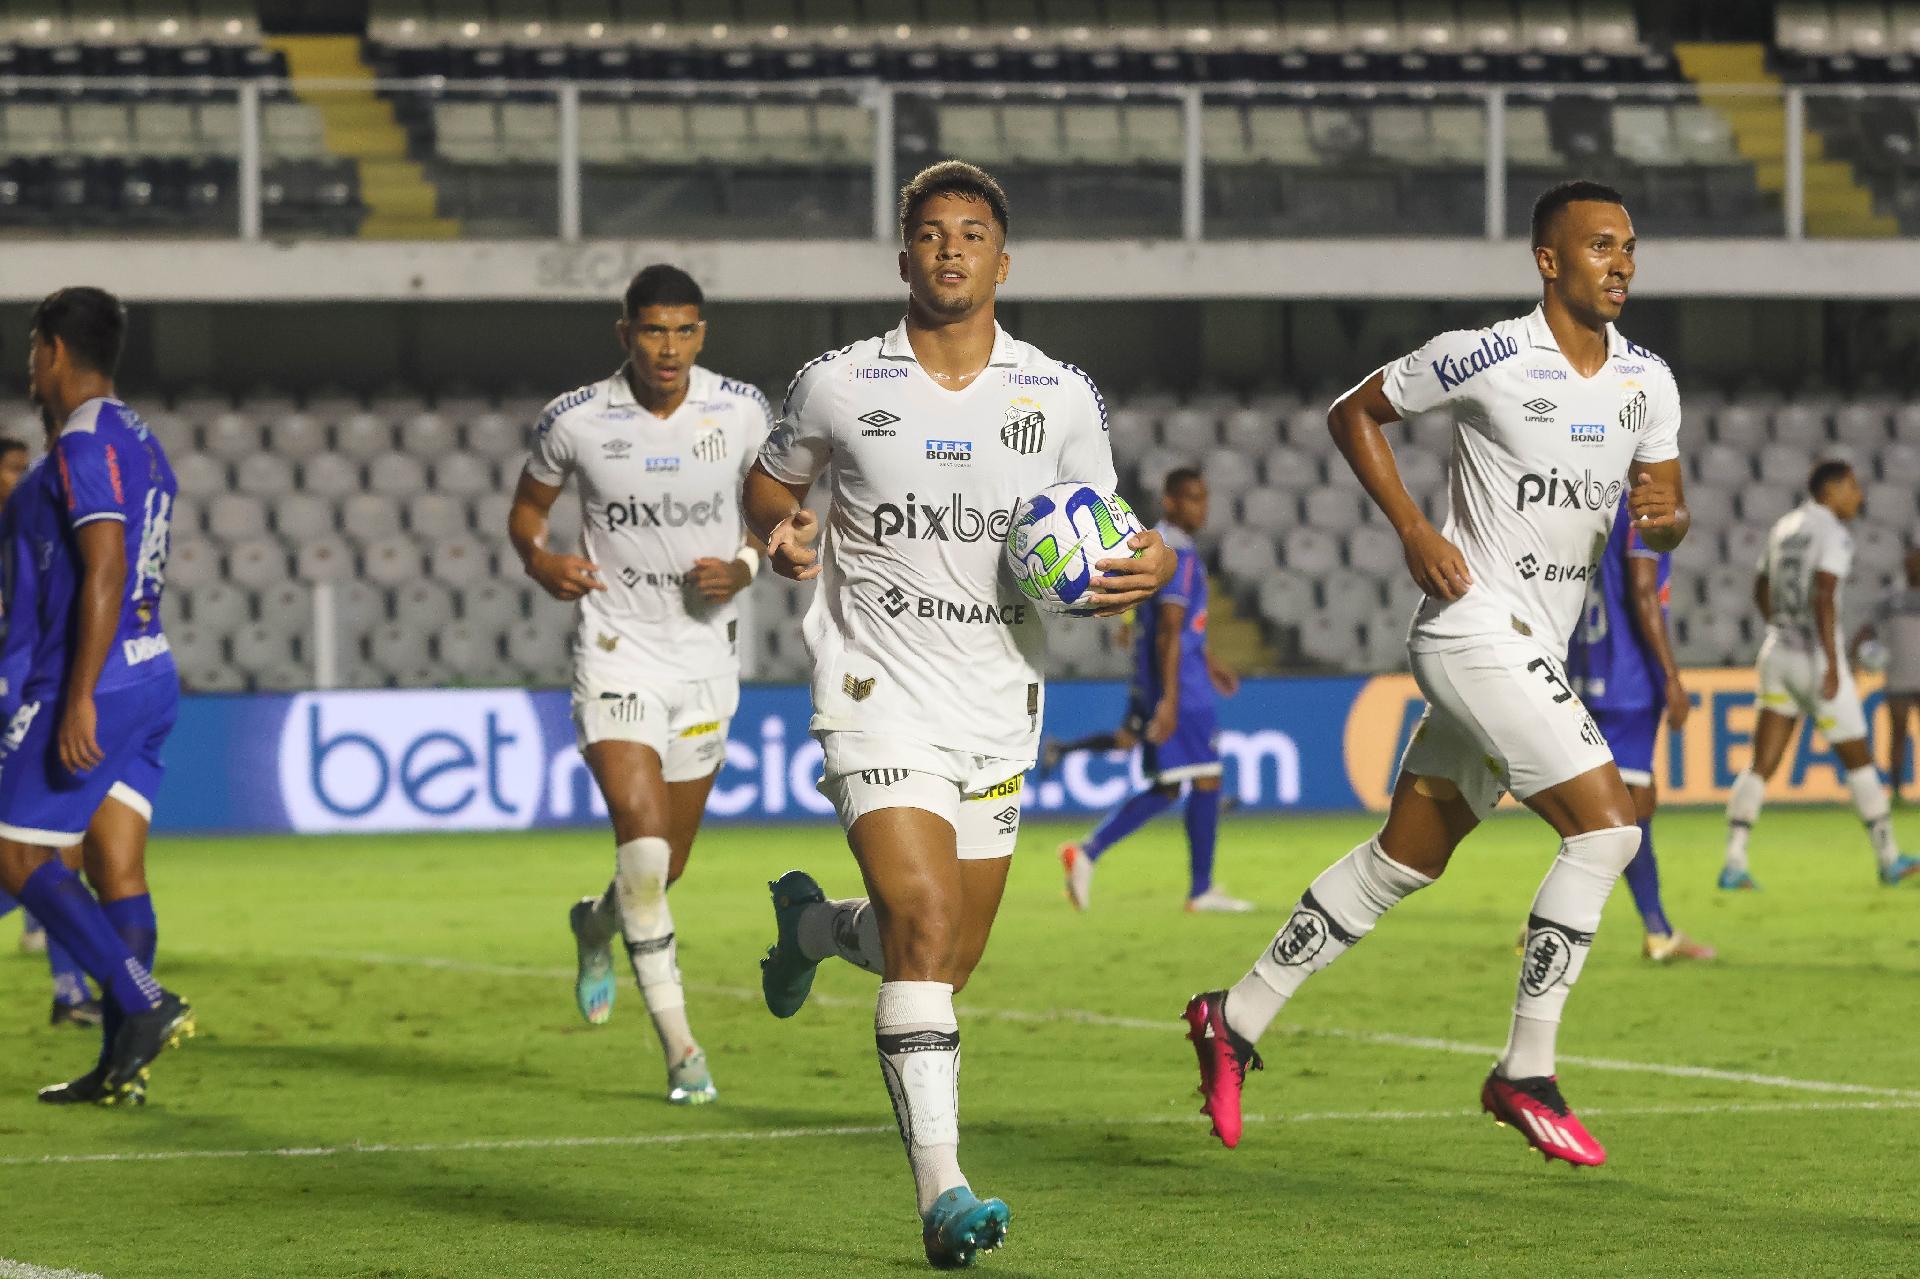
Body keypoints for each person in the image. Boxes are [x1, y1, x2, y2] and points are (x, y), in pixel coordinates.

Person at [1182, 181, 1690, 1168]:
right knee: (1611, 826)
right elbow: (1352, 412)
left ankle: (1231, 1014)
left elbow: (1667, 509)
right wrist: (1415, 529)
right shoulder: (1488, 354)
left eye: (1629, 246)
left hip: (1533, 645)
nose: (1621, 262)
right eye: (1598, 246)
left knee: (1402, 859)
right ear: (1549, 261)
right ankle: (1525, 1071)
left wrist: (1669, 522)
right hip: (1472, 629)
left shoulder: (1649, 384)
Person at [743, 161, 1175, 1267]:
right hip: (873, 689)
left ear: (1001, 259)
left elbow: (1114, 529)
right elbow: (769, 483)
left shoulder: (1058, 396)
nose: (949, 250)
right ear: (903, 257)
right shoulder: (839, 383)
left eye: (971, 234)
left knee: (932, 952)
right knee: (927, 929)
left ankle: (807, 929)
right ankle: (945, 1195)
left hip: (995, 700)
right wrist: (782, 530)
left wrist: (1152, 557)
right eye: (930, 234)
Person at [509, 264, 771, 1106]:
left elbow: (780, 514)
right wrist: (540, 559)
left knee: (665, 866)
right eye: (653, 330)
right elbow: (527, 511)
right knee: (648, 851)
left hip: (704, 662)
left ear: (703, 334)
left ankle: (594, 922)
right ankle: (683, 1047)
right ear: (625, 333)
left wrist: (744, 564)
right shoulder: (575, 420)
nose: (669, 347)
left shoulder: (741, 412)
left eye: (684, 330)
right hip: (615, 652)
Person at [0, 286, 193, 1104]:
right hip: (150, 668)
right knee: (116, 863)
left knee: (15, 855)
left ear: (48, 348)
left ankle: (140, 998)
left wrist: (76, 696)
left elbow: (106, 564)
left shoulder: (83, 442)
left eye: (33, 352)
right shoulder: (140, 437)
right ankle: (122, 1067)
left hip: (93, 680)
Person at [1721, 461, 1918, 888]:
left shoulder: (1785, 526)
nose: (1859, 496)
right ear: (1837, 488)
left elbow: (1760, 586)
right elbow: (1825, 594)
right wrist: (1831, 662)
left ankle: (1734, 861)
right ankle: (1889, 858)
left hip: (1777, 653)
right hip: (1814, 658)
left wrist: (1778, 626)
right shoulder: (1833, 533)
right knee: (1859, 759)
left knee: (1762, 763)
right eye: (1854, 488)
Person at [1059, 468, 1247, 912]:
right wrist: (1170, 701)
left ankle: (1087, 854)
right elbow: (1168, 631)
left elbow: (1176, 630)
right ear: (1169, 501)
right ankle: (1199, 890)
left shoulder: (1162, 546)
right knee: (1206, 778)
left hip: (1180, 677)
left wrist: (1211, 661)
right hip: (1180, 686)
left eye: (1203, 498)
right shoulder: (1174, 552)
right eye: (1191, 499)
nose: (1201, 508)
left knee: (1171, 786)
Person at [1566, 497, 1715, 961]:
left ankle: (1653, 931)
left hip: (1583, 671)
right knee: (1627, 813)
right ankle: (1655, 934)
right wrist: (1670, 676)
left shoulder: (1586, 507)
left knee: (1609, 811)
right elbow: (1644, 588)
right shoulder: (1642, 515)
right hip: (1627, 680)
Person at [0, 432, 102, 1024]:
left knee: (54, 852)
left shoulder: (35, 531)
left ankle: (70, 993)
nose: (19, 478)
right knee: (41, 856)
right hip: (15, 693)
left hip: (24, 692)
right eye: (9, 469)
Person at [1851, 546, 1920, 804]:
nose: (1914, 566)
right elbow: (1866, 631)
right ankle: (1897, 792)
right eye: (1911, 562)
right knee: (1898, 734)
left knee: (1899, 735)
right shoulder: (1891, 600)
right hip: (1899, 677)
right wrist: (1854, 658)